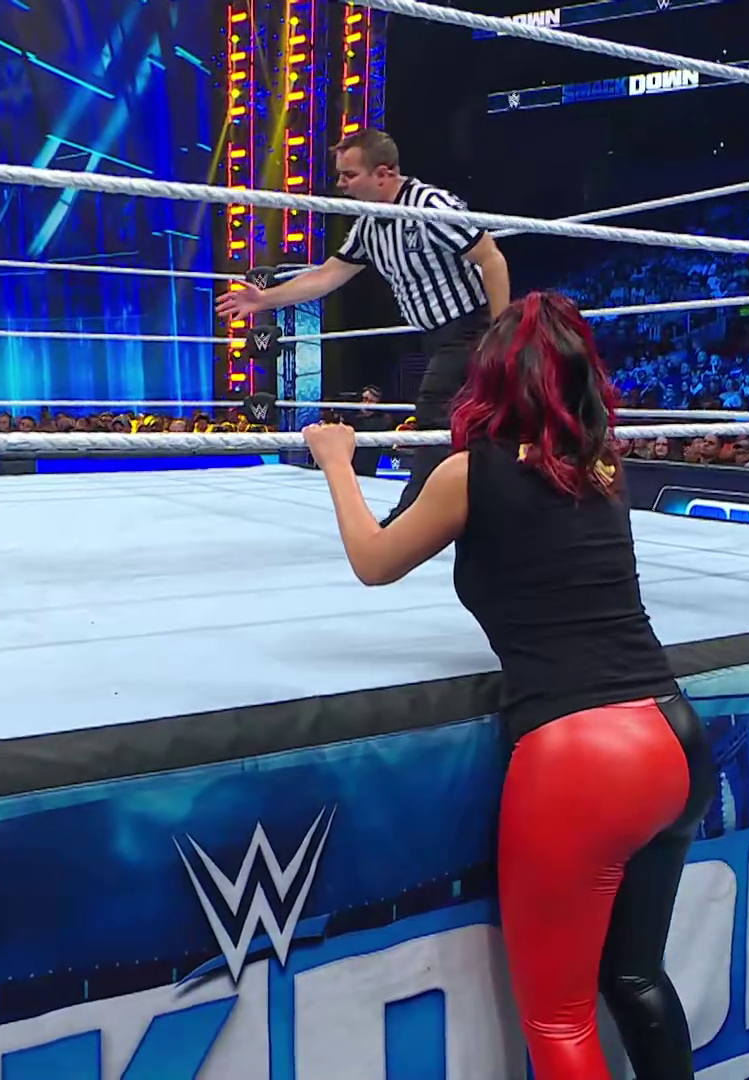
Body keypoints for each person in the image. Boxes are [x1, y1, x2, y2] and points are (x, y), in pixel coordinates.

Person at [301, 291, 715, 1080]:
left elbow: (375, 561)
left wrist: (337, 463)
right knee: (636, 978)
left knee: (559, 1019)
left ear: (487, 378)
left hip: (583, 756)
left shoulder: (470, 475)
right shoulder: (602, 464)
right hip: (674, 735)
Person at [218, 127, 510, 523]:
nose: (341, 184)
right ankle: (482, 509)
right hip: (434, 336)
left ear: (384, 174)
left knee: (434, 416)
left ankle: (409, 521)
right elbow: (327, 276)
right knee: (467, 422)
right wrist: (265, 299)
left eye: (349, 175)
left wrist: (500, 333)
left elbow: (491, 257)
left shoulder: (429, 205)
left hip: (471, 327)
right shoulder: (370, 224)